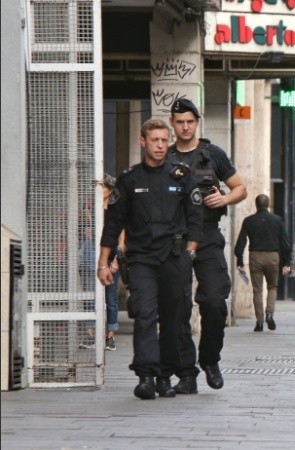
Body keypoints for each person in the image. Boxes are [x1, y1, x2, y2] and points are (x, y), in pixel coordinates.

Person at [97, 118, 203, 400]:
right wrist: (103, 262)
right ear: (142, 142)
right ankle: (146, 375)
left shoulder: (182, 175)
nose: (160, 145)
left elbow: (196, 219)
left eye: (164, 140)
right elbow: (113, 223)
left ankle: (165, 375)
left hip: (174, 257)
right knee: (144, 313)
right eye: (154, 140)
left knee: (172, 318)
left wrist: (190, 253)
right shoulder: (130, 179)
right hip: (142, 258)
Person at [168, 98, 247, 391]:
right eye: (180, 122)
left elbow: (241, 187)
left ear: (197, 122)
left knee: (214, 301)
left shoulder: (213, 153)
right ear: (173, 124)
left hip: (208, 235)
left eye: (190, 121)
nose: (185, 127)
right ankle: (186, 373)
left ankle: (210, 359)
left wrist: (224, 198)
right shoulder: (166, 155)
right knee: (176, 307)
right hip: (173, 240)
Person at [234, 194, 292, 332]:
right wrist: (286, 262)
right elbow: (286, 244)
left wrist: (240, 260)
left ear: (256, 204)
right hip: (273, 256)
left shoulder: (249, 221)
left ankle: (259, 323)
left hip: (255, 256)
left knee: (257, 290)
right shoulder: (277, 220)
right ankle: (269, 313)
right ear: (268, 204)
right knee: (272, 286)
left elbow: (240, 244)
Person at [99, 173, 126, 351]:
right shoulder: (90, 209)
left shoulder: (116, 209)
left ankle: (110, 335)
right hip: (93, 254)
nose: (99, 190)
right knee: (90, 295)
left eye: (102, 186)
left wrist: (117, 259)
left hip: (111, 255)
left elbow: (122, 238)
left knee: (111, 297)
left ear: (109, 190)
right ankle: (91, 333)